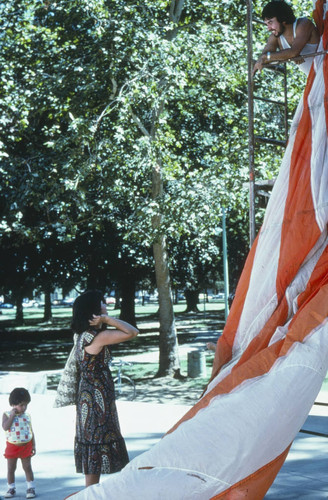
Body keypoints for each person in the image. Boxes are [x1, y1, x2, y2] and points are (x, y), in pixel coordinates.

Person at [71, 289, 139, 488]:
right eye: (102, 303)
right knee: (95, 447)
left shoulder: (83, 334)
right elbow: (133, 332)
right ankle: (90, 494)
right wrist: (108, 320)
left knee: (92, 447)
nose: (105, 304)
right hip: (95, 399)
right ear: (94, 310)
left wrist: (104, 320)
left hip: (89, 395)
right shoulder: (97, 337)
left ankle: (90, 493)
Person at [253, 0, 319, 76]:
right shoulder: (276, 36)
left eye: (270, 22)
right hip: (315, 80)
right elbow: (264, 57)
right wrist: (287, 55)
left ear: (282, 19)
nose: (268, 28)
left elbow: (293, 52)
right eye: (266, 24)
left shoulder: (303, 24)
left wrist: (289, 55)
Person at [2, 387, 36, 499]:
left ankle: (30, 487)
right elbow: (5, 427)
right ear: (13, 404)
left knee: (27, 467)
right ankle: (11, 488)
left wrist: (34, 445)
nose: (24, 408)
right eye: (21, 405)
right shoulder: (7, 415)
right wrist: (12, 416)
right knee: (11, 468)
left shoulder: (27, 416)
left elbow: (31, 431)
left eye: (26, 405)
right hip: (12, 446)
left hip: (26, 446)